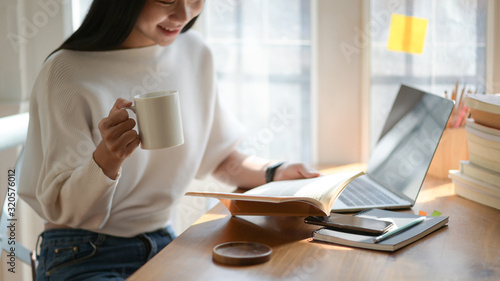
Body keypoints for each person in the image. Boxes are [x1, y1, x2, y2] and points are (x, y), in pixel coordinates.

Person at [19, 0, 320, 280]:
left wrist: (275, 171)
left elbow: (219, 157)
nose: (184, 14)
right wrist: (107, 158)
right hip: (82, 252)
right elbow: (63, 210)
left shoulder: (194, 52)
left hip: (163, 241)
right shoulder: (65, 71)